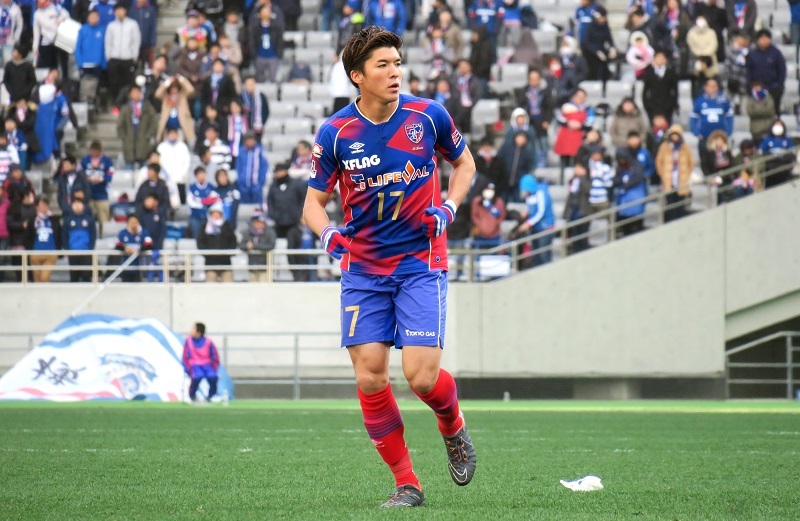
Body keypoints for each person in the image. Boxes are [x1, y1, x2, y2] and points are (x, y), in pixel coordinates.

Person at [302, 27, 477, 508]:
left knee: (421, 378)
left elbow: (465, 165)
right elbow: (313, 204)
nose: (395, 72)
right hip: (363, 269)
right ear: (357, 76)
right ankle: (407, 483)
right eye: (383, 65)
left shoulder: (428, 116)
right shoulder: (336, 133)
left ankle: (453, 426)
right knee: (370, 377)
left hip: (420, 261)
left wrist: (449, 209)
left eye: (397, 63)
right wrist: (328, 235)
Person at [267, 162, 308, 281]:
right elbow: (270, 203)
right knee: (270, 244)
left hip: (294, 223)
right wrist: (274, 216)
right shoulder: (273, 187)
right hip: (278, 223)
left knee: (292, 247)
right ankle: (271, 273)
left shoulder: (296, 184)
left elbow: (304, 200)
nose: (278, 174)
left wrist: (300, 215)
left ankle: (297, 273)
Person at [690, 78, 733, 175]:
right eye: (710, 86)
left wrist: (728, 131)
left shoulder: (723, 100)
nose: (712, 88)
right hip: (705, 136)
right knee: (705, 158)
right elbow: (693, 117)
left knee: (722, 159)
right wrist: (696, 132)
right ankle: (707, 177)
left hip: (720, 136)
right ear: (705, 87)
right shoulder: (699, 101)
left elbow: (730, 116)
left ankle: (722, 177)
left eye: (714, 86)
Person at [514, 69, 553, 169]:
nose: (534, 81)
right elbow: (521, 106)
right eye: (532, 79)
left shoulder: (545, 91)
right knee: (531, 143)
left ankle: (543, 161)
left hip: (541, 121)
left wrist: (547, 121)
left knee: (543, 142)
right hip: (529, 121)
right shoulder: (524, 91)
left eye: (536, 79)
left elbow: (549, 107)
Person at [656, 124, 694, 221]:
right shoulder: (665, 147)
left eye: (677, 135)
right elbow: (659, 162)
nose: (675, 137)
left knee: (680, 204)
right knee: (669, 204)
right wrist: (663, 174)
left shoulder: (685, 147)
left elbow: (691, 162)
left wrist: (686, 174)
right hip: (669, 178)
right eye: (673, 135)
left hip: (681, 179)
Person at [105, 4, 141, 106]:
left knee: (128, 82)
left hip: (128, 58)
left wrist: (134, 56)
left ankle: (127, 103)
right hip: (114, 58)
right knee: (114, 82)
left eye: (121, 10)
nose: (119, 12)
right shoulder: (111, 25)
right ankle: (115, 103)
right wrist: (108, 57)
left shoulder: (132, 24)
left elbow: (136, 41)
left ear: (125, 11)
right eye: (117, 10)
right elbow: (108, 42)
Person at [745, 29, 786, 116]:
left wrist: (779, 84)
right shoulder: (752, 54)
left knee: (774, 110)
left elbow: (782, 70)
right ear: (758, 40)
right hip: (756, 87)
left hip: (773, 88)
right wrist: (750, 85)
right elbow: (748, 71)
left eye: (766, 38)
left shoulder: (776, 53)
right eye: (762, 38)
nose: (764, 40)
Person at [517, 174, 555, 267]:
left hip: (545, 228)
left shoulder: (541, 193)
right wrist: (527, 214)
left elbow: (540, 212)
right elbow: (532, 209)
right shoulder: (530, 195)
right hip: (536, 228)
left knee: (543, 254)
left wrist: (528, 223)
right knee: (535, 255)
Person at [554, 88, 594, 172]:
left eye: (583, 97)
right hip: (566, 137)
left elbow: (590, 122)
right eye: (578, 96)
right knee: (564, 158)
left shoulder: (588, 109)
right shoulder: (566, 107)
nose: (580, 99)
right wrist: (568, 123)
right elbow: (559, 118)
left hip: (579, 137)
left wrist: (580, 125)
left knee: (577, 158)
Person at [118, 86, 159, 168]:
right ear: (130, 94)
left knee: (144, 169)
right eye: (134, 92)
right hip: (129, 144)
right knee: (128, 168)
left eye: (138, 92)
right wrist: (125, 138)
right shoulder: (125, 109)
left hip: (144, 144)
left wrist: (148, 136)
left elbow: (154, 123)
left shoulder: (148, 108)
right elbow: (120, 126)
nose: (136, 94)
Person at [80, 141, 114, 236]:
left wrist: (101, 179)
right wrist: (87, 179)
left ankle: (103, 237)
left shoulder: (107, 161)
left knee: (104, 219)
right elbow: (80, 174)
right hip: (88, 194)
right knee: (88, 218)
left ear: (100, 151)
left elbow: (110, 176)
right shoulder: (85, 160)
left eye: (96, 151)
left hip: (102, 194)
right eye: (93, 151)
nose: (94, 153)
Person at [197, 203, 236, 282]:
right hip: (210, 263)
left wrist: (227, 253)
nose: (216, 216)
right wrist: (207, 254)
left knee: (228, 283)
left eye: (218, 213)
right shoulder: (205, 227)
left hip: (225, 263)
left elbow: (233, 241)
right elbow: (200, 242)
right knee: (210, 283)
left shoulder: (227, 226)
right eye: (214, 214)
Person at [182, 322, 221, 402]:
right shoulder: (188, 341)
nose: (191, 330)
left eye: (193, 329)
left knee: (213, 376)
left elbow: (215, 356)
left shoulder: (208, 342)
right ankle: (192, 395)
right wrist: (187, 368)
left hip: (207, 364)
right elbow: (185, 356)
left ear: (198, 332)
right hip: (194, 364)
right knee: (197, 376)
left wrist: (214, 367)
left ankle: (212, 395)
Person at [613, 149, 647, 236]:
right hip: (623, 202)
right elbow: (615, 181)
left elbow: (637, 178)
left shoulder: (636, 165)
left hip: (635, 199)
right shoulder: (619, 168)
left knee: (636, 225)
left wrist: (626, 184)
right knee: (625, 226)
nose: (621, 161)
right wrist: (621, 180)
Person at [62, 196, 96, 282]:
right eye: (75, 204)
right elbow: (64, 236)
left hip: (85, 252)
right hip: (72, 253)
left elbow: (93, 236)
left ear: (83, 205)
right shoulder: (67, 220)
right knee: (74, 277)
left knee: (86, 277)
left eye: (79, 203)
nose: (77, 206)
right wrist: (67, 249)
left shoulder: (89, 220)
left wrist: (90, 249)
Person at [155, 75, 196, 146]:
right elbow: (157, 94)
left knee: (181, 146)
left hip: (181, 128)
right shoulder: (165, 97)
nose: (174, 90)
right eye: (172, 88)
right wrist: (167, 82)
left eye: (175, 88)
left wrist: (182, 79)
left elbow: (191, 90)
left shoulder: (182, 96)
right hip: (167, 129)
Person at [32, 0, 69, 77]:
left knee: (62, 63)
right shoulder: (37, 14)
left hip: (59, 40)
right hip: (47, 42)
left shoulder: (56, 8)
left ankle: (63, 79)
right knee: (47, 65)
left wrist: (61, 20)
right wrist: (35, 47)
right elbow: (36, 32)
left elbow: (66, 15)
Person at [29, 196, 61, 282]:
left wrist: (58, 250)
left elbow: (58, 235)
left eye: (46, 205)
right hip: (35, 253)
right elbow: (27, 236)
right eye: (42, 205)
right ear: (37, 207)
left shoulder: (54, 220)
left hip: (50, 253)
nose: (44, 207)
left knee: (44, 277)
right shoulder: (32, 220)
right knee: (37, 279)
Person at [250, 4, 284, 83]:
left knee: (273, 79)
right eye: (264, 11)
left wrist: (279, 53)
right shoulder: (255, 28)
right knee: (260, 79)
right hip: (259, 56)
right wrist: (254, 54)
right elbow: (252, 42)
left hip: (273, 56)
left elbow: (280, 41)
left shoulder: (276, 27)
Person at [157, 127, 192, 205]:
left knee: (181, 201)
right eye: (171, 134)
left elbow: (187, 162)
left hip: (180, 179)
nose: (173, 136)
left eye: (174, 134)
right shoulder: (161, 147)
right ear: (167, 135)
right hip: (166, 179)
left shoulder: (183, 146)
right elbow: (160, 163)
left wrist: (182, 174)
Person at [239, 210, 277, 282]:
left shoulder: (269, 232)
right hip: (252, 267)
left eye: (260, 222)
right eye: (256, 222)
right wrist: (246, 246)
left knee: (264, 287)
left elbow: (271, 245)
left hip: (265, 268)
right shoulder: (248, 232)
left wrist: (254, 246)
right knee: (253, 287)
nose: (258, 224)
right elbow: (241, 245)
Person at [641, 51, 679, 124]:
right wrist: (647, 104)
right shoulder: (649, 73)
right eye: (658, 58)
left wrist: (672, 104)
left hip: (667, 106)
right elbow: (645, 90)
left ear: (666, 60)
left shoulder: (671, 73)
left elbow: (675, 90)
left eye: (662, 58)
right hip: (652, 106)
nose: (660, 60)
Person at [563, 162, 592, 254]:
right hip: (574, 211)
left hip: (583, 211)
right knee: (575, 235)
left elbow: (587, 189)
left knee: (582, 235)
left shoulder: (586, 179)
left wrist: (582, 177)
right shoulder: (573, 180)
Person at [582, 6, 616, 83]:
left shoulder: (605, 26)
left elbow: (609, 39)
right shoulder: (589, 27)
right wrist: (596, 51)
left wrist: (612, 48)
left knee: (605, 68)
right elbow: (585, 42)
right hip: (590, 54)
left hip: (602, 51)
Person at [115, 213, 153, 282]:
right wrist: (125, 249)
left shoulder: (144, 233)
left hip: (139, 266)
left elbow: (149, 245)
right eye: (131, 222)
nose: (133, 224)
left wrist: (138, 251)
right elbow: (118, 245)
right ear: (127, 223)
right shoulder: (122, 233)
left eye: (135, 222)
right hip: (125, 265)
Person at [758, 119, 795, 188]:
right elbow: (761, 152)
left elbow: (791, 152)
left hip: (783, 166)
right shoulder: (767, 139)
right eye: (776, 125)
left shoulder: (787, 139)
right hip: (770, 167)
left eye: (779, 125)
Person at [236, 132, 269, 205]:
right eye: (248, 140)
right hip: (243, 185)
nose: (250, 142)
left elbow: (264, 166)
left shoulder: (260, 150)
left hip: (256, 184)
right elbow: (238, 166)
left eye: (251, 139)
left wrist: (260, 181)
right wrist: (240, 179)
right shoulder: (241, 151)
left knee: (257, 206)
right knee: (244, 206)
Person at [470, 182, 505, 250]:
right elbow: (474, 215)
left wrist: (495, 224)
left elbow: (502, 215)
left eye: (491, 190)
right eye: (487, 189)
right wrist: (480, 225)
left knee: (494, 253)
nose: (489, 192)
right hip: (480, 234)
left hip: (495, 235)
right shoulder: (477, 201)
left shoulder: (498, 201)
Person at [187, 166, 219, 239]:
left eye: (203, 174)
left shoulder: (210, 186)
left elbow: (213, 200)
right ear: (196, 176)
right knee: (197, 236)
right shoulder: (192, 187)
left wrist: (199, 200)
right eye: (199, 174)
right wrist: (204, 202)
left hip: (208, 217)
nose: (201, 176)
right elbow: (191, 203)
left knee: (209, 237)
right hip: (195, 216)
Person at [241, 76, 269, 141]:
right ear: (245, 86)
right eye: (248, 85)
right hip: (244, 127)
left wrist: (262, 122)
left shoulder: (261, 96)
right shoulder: (242, 97)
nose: (250, 87)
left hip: (257, 128)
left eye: (252, 84)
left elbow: (266, 111)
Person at [0, 0, 23, 67]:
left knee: (8, 65)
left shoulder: (15, 8)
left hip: (9, 42)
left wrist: (16, 38)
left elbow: (20, 24)